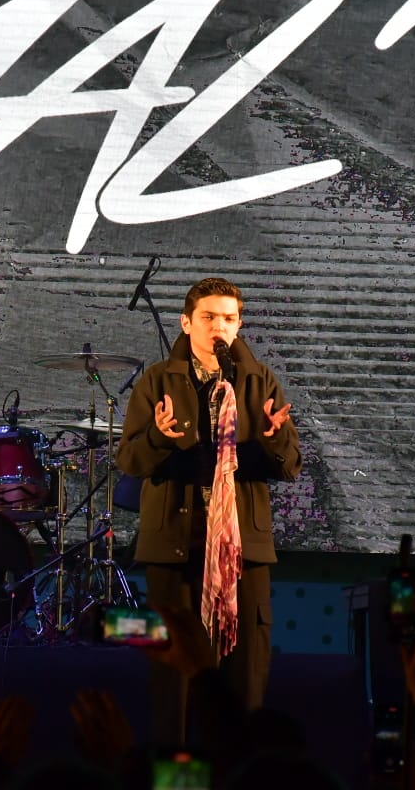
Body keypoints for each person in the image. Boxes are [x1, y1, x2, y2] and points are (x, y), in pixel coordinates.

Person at [115, 277, 301, 746]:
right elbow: (131, 461)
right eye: (209, 317)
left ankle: (238, 769)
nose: (220, 327)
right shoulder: (159, 380)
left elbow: (290, 465)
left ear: (239, 325)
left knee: (244, 678)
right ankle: (176, 773)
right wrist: (157, 435)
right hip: (175, 547)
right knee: (173, 681)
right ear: (186, 322)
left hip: (241, 549)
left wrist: (275, 437)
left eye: (229, 319)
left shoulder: (258, 380)